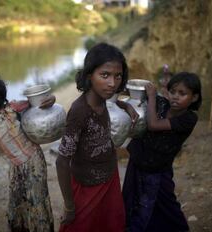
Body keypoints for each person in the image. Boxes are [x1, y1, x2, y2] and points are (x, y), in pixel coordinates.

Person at [56, 43, 139, 232]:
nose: (112, 83)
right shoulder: (79, 112)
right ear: (89, 76)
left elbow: (112, 99)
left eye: (118, 76)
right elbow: (62, 162)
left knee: (110, 224)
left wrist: (125, 105)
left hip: (109, 178)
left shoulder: (103, 99)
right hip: (86, 186)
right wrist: (69, 206)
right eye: (105, 75)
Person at [0, 76, 54, 232]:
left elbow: (37, 104)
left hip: (34, 161)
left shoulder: (13, 109)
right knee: (18, 203)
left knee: (37, 200)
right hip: (16, 167)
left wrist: (51, 99)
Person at [123, 72, 202, 231]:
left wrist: (152, 96)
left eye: (182, 93)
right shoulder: (162, 103)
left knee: (167, 207)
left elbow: (153, 125)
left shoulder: (189, 118)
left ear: (194, 97)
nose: (175, 97)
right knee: (131, 202)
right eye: (173, 92)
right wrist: (125, 101)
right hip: (137, 163)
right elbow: (132, 97)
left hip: (158, 170)